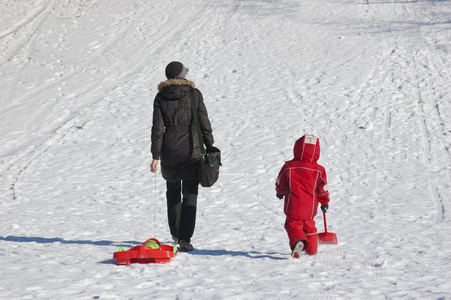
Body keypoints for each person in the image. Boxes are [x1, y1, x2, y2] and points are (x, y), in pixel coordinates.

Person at [150, 61, 214, 252]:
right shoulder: (194, 94)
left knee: (172, 193)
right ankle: (185, 239)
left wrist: (156, 155)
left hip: (169, 151)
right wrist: (210, 146)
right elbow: (204, 121)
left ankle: (176, 235)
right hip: (191, 149)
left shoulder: (160, 97)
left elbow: (157, 129)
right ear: (181, 75)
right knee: (190, 194)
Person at [275, 134, 330, 258]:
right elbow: (323, 189)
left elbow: (281, 181)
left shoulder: (289, 167)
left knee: (293, 225)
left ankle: (298, 242)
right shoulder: (319, 170)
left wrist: (279, 191)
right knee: (309, 226)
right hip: (310, 208)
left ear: (297, 148)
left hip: (293, 206)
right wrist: (324, 202)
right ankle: (312, 249)